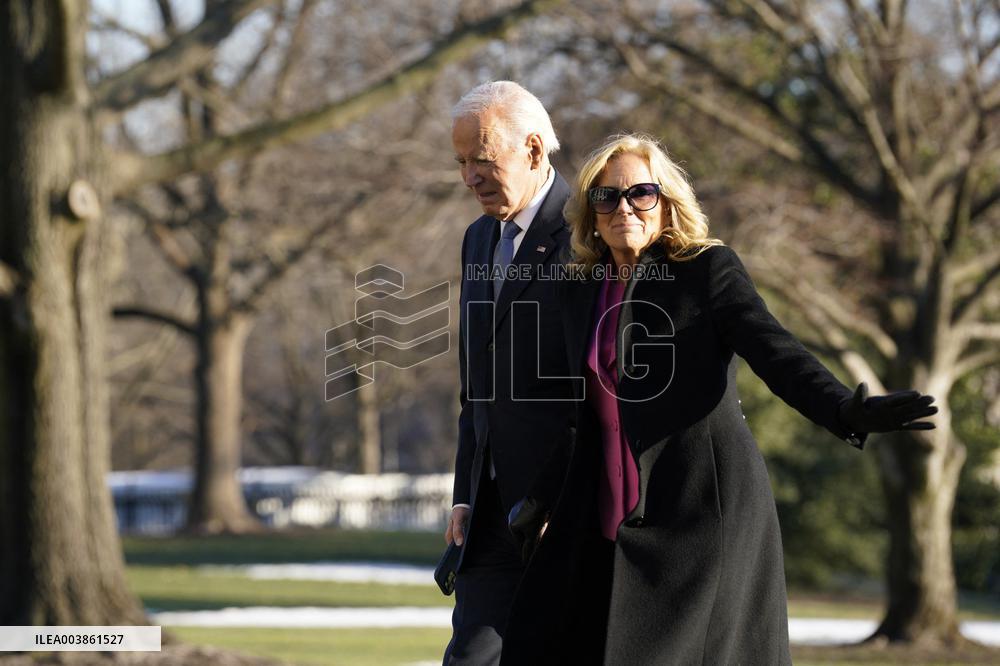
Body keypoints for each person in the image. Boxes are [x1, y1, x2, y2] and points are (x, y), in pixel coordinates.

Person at [500, 133, 937, 665]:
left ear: (666, 202)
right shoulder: (580, 289)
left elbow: (775, 351)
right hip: (607, 513)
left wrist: (844, 409)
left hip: (701, 511)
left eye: (641, 193)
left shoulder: (705, 270)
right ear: (590, 212)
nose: (624, 208)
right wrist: (541, 500)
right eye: (606, 196)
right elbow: (583, 416)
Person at [443, 81, 577, 664]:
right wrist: (464, 493)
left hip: (565, 507)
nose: (469, 176)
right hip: (489, 508)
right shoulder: (477, 239)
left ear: (533, 149)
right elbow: (477, 383)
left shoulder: (589, 234)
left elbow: (596, 388)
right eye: (461, 162)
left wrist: (556, 498)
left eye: (481, 158)